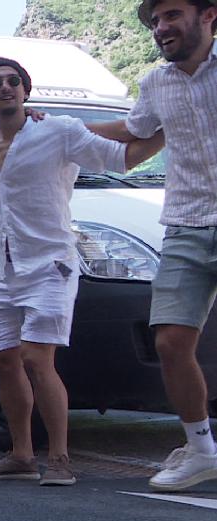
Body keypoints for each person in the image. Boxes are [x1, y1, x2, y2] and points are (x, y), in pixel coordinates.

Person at [0, 56, 164, 485]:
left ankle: (60, 459)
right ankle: (20, 455)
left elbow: (124, 157)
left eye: (14, 81)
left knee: (37, 357)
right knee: (3, 360)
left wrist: (170, 128)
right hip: (1, 268)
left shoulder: (57, 130)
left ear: (26, 91)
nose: (6, 87)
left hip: (50, 263)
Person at [96, 0, 217, 492]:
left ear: (209, 15)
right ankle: (202, 449)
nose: (161, 28)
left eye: (171, 15)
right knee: (169, 341)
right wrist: (58, 130)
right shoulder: (155, 83)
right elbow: (133, 132)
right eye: (155, 21)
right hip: (186, 223)